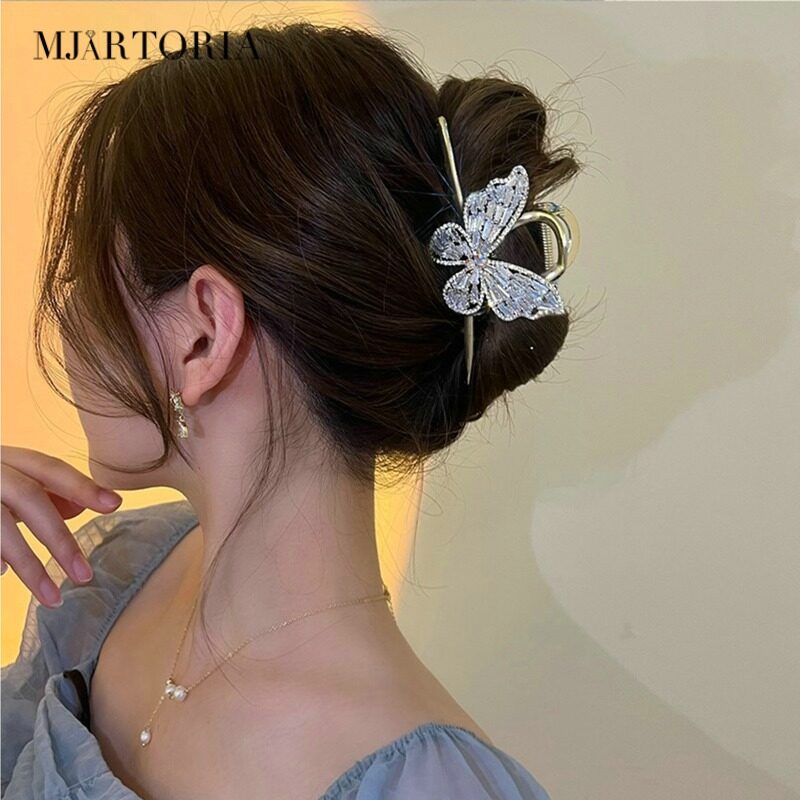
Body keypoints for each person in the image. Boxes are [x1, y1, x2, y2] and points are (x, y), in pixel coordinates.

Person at [1, 21, 583, 799]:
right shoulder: (116, 581)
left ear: (204, 334)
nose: (68, 314)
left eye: (85, 277)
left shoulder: (428, 787)